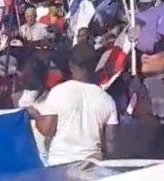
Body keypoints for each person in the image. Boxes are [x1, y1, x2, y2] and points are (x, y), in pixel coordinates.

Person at [27, 43, 118, 173]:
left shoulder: (58, 92)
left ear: (71, 65)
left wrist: (35, 115)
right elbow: (111, 145)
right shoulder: (107, 100)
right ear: (95, 66)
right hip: (91, 169)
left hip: (59, 166)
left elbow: (47, 130)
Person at [107, 37, 164, 159]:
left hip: (145, 164)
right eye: (143, 52)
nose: (144, 56)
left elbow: (151, 129)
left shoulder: (154, 86)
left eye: (150, 53)